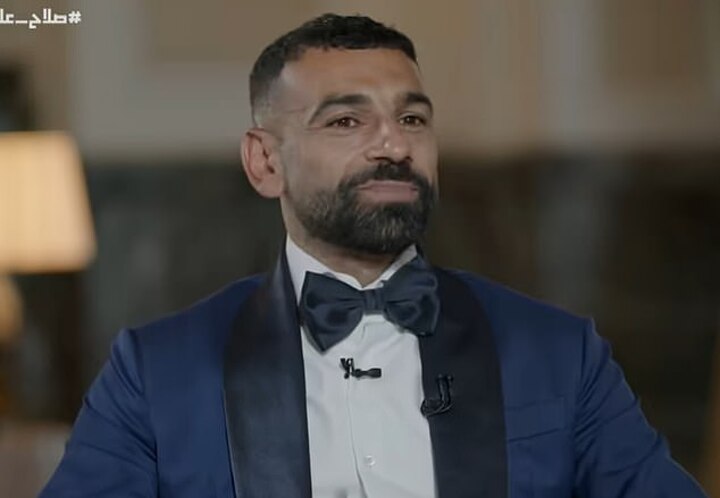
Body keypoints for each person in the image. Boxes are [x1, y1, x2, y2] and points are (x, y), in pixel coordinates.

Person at [41, 13, 707, 498]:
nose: (393, 144)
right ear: (265, 162)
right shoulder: (157, 372)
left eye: (412, 119)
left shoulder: (559, 353)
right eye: (346, 121)